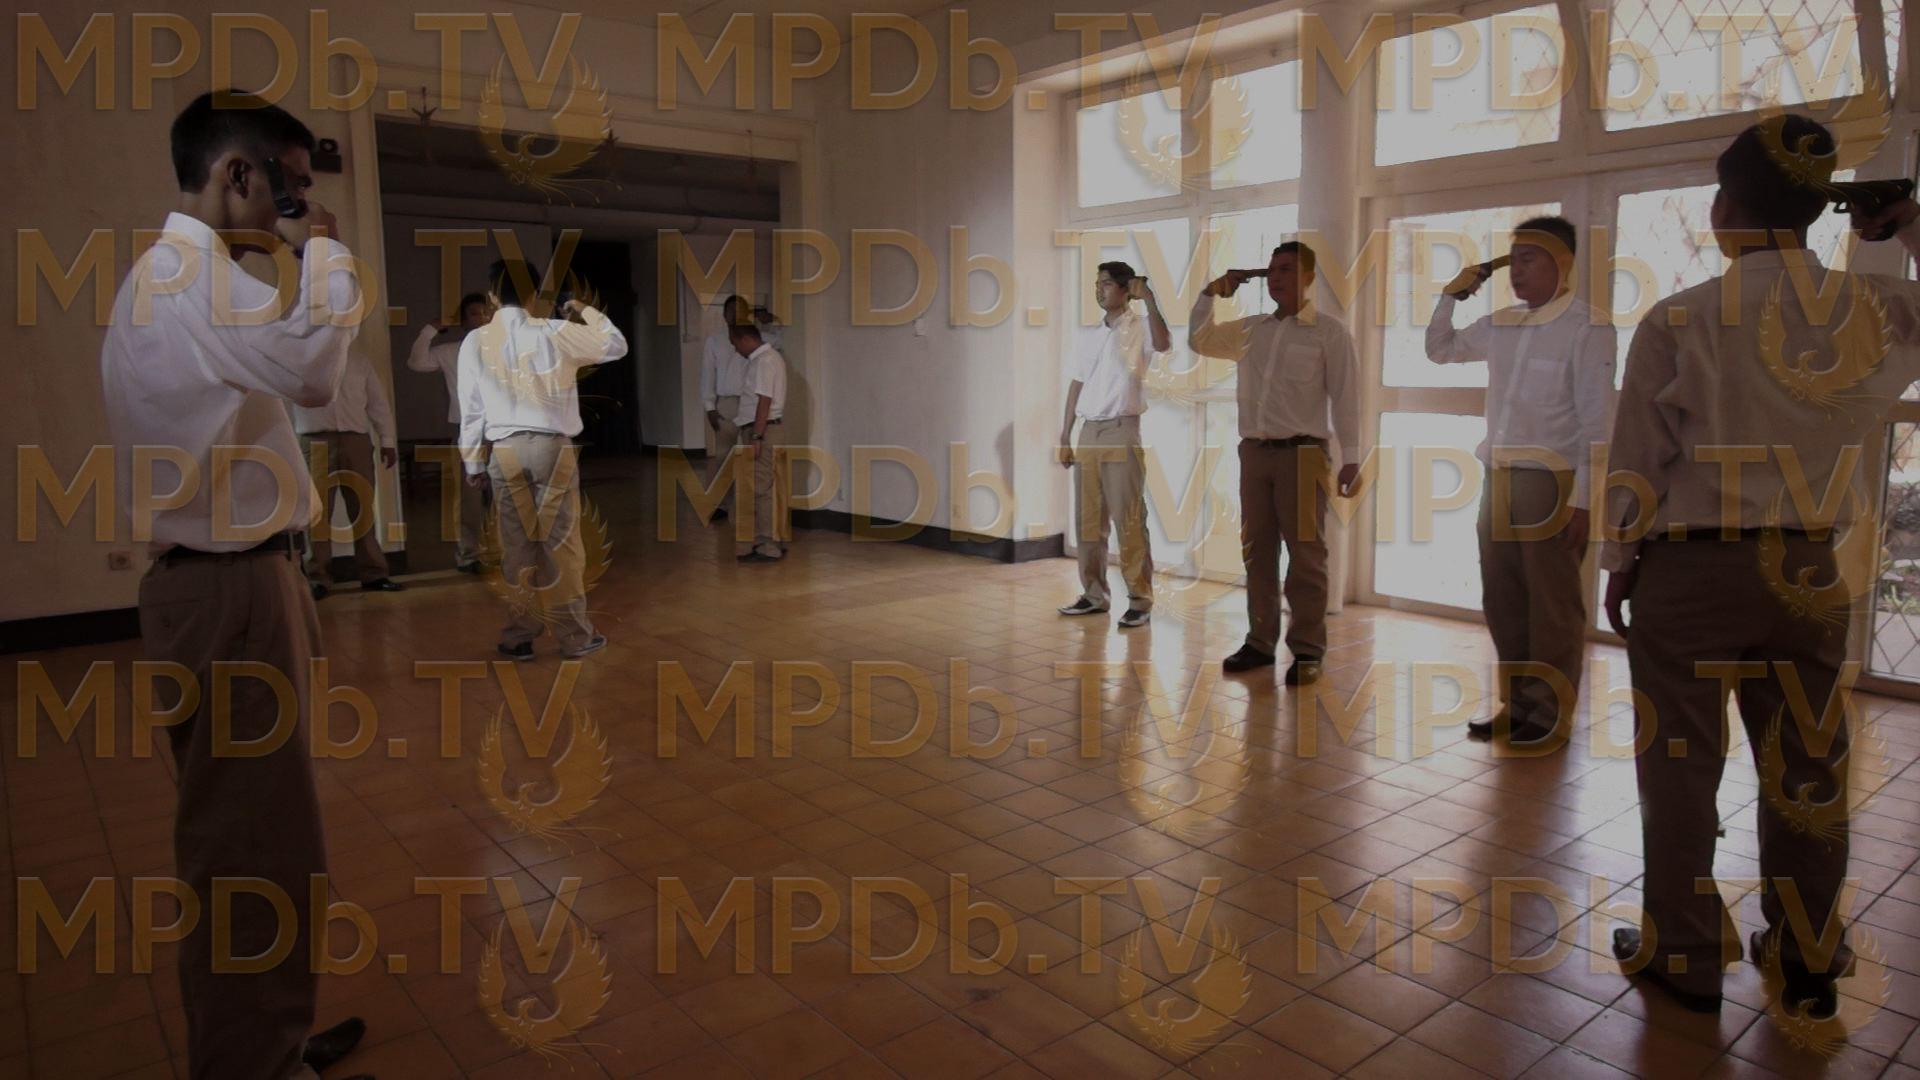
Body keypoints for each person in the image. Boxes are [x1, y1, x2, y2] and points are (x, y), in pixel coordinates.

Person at [1603, 114, 1920, 1019]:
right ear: (1818, 209)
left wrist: (1621, 561)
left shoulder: (1680, 317)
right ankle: (1807, 951)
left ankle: (1686, 954)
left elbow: (1637, 464)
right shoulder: (1874, 309)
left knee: (1680, 764)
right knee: (1808, 764)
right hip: (1810, 570)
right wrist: (1908, 224)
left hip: (1692, 571)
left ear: (1724, 207)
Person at [98, 90, 372, 1080]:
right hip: (229, 592)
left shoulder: (177, 279)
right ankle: (254, 1065)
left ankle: (266, 1043)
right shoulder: (190, 278)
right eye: (289, 188)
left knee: (259, 839)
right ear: (237, 175)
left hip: (232, 584)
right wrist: (326, 250)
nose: (295, 209)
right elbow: (311, 368)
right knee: (253, 851)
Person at [1425, 216, 1617, 745]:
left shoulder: (1589, 328)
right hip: (1499, 479)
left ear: (1563, 262)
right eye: (1515, 259)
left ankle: (1550, 711)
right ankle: (1518, 703)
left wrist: (1584, 502)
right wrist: (1449, 297)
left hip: (1552, 482)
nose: (1517, 270)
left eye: (1530, 259)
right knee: (1503, 597)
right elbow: (1440, 349)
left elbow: (1598, 424)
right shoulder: (1502, 324)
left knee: (1552, 604)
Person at [1191, 242, 1363, 685]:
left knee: (1306, 556)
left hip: (1304, 455)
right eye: (1271, 271)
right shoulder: (1251, 329)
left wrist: (1352, 458)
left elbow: (1347, 398)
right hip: (1255, 454)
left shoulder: (1328, 332)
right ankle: (1260, 641)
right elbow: (1200, 340)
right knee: (1257, 551)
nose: (1276, 278)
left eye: (1286, 270)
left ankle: (1307, 649)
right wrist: (1209, 294)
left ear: (1308, 277)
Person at [458, 258, 627, 659]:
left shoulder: (475, 341)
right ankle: (575, 637)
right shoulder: (555, 332)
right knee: (561, 544)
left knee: (515, 546)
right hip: (552, 448)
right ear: (534, 295)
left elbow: (471, 408)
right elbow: (616, 344)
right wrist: (580, 308)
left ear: (493, 296)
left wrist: (473, 463)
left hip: (504, 451)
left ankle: (519, 636)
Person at [1057, 260, 1169, 628]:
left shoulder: (1140, 327)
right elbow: (1076, 384)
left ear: (1125, 289)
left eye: (1106, 284)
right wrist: (1065, 434)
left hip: (1122, 429)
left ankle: (1140, 599)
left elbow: (1164, 343)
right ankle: (1094, 595)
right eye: (1097, 283)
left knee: (1129, 519)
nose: (1099, 289)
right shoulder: (1088, 335)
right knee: (1088, 521)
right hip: (1089, 432)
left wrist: (1149, 298)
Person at [294, 347, 404, 597]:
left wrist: (387, 440)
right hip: (315, 440)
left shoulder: (359, 360)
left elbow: (377, 402)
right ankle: (317, 577)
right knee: (318, 512)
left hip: (356, 439)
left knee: (362, 508)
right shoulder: (301, 358)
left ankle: (374, 573)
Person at [406, 292, 492, 570]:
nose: (481, 318)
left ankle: (507, 552)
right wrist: (431, 329)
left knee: (507, 495)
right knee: (469, 497)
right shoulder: (450, 351)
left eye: (485, 313)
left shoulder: (504, 349)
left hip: (502, 429)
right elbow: (417, 362)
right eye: (474, 313)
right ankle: (469, 555)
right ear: (463, 321)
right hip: (466, 430)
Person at [730, 315, 790, 563]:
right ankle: (773, 540)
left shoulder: (764, 361)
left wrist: (756, 435)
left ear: (746, 339)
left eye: (735, 344)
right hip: (765, 429)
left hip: (762, 431)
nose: (736, 349)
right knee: (768, 487)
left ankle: (768, 545)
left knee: (761, 488)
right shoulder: (770, 358)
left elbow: (764, 400)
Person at [698, 295, 753, 523]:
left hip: (751, 402)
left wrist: (771, 322)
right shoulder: (715, 341)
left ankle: (751, 504)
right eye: (730, 310)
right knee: (723, 457)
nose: (734, 315)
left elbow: (780, 341)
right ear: (724, 314)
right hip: (726, 403)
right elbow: (708, 374)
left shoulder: (758, 338)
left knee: (752, 456)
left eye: (739, 310)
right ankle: (722, 504)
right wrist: (710, 407)